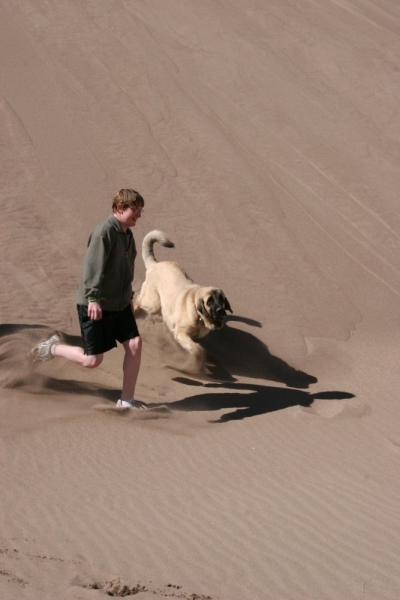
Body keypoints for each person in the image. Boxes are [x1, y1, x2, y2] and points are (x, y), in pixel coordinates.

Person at [31, 189, 146, 409]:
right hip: (96, 305)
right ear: (120, 208)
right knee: (92, 361)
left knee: (135, 344)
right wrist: (93, 298)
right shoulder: (104, 232)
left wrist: (128, 298)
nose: (139, 215)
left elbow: (126, 271)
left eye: (141, 210)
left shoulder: (127, 235)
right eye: (136, 210)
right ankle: (52, 348)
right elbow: (92, 267)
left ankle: (126, 401)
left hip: (119, 304)